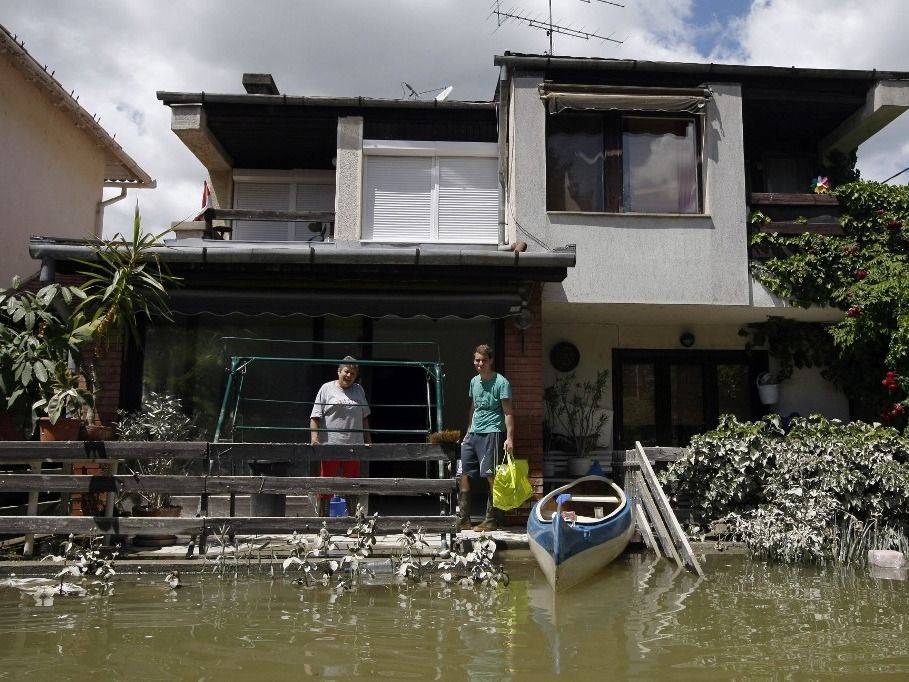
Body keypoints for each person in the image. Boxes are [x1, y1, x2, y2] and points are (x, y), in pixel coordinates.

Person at [459, 344, 514, 532]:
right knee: (464, 473)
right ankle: (464, 519)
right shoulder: (474, 381)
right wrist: (468, 430)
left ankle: (491, 519)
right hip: (473, 433)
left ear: (490, 360)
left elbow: (508, 412)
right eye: (477, 360)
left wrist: (510, 438)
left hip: (492, 432)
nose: (479, 363)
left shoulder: (501, 382)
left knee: (490, 475)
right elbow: (472, 407)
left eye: (483, 360)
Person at [310, 356, 371, 515]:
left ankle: (353, 525)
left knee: (352, 484)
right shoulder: (326, 389)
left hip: (354, 446)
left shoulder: (359, 390)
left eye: (353, 373)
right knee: (326, 484)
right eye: (346, 371)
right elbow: (315, 416)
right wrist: (315, 439)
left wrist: (368, 441)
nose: (349, 375)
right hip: (331, 446)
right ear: (339, 371)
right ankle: (322, 525)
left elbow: (364, 417)